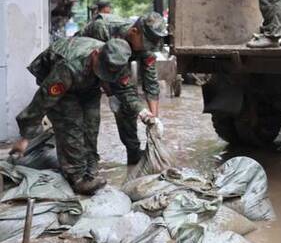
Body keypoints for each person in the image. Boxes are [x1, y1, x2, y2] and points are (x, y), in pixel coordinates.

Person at [10, 38, 152, 195]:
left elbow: (127, 91)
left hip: (88, 85)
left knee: (91, 124)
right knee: (71, 125)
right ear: (95, 55)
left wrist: (143, 112)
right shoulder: (68, 66)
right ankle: (76, 177)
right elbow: (43, 100)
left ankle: (91, 170)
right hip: (57, 76)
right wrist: (25, 136)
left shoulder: (118, 63)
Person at [80, 12, 167, 165]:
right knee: (89, 114)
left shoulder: (145, 46)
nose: (147, 49)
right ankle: (87, 162)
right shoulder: (103, 30)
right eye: (145, 44)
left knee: (127, 105)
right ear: (134, 32)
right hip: (86, 68)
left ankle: (133, 154)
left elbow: (151, 83)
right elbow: (89, 59)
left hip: (117, 67)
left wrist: (153, 121)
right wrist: (109, 91)